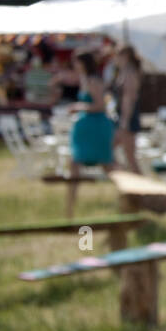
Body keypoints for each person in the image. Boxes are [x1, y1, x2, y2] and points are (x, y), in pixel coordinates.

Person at [65, 48, 115, 218]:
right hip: (86, 130)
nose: (74, 65)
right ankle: (69, 210)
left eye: (76, 61)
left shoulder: (93, 81)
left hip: (96, 129)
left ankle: (131, 197)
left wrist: (79, 107)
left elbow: (100, 105)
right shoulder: (85, 79)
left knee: (109, 166)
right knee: (75, 166)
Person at [112, 45, 143, 173]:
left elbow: (129, 99)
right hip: (124, 117)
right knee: (126, 155)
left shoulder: (129, 73)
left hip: (127, 118)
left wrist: (124, 121)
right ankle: (125, 176)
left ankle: (142, 188)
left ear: (125, 56)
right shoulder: (125, 71)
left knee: (130, 157)